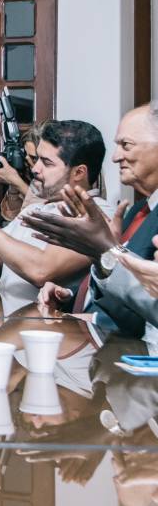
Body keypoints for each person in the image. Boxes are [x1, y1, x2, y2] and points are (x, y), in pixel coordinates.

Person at [0, 120, 110, 315]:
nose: (35, 169)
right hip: (7, 329)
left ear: (79, 172)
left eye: (47, 163)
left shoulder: (96, 217)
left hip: (45, 336)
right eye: (37, 159)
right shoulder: (36, 209)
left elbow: (41, 270)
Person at [28, 104, 158, 342]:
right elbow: (119, 282)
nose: (116, 156)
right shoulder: (139, 209)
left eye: (126, 145)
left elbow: (146, 312)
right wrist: (70, 293)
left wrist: (104, 250)